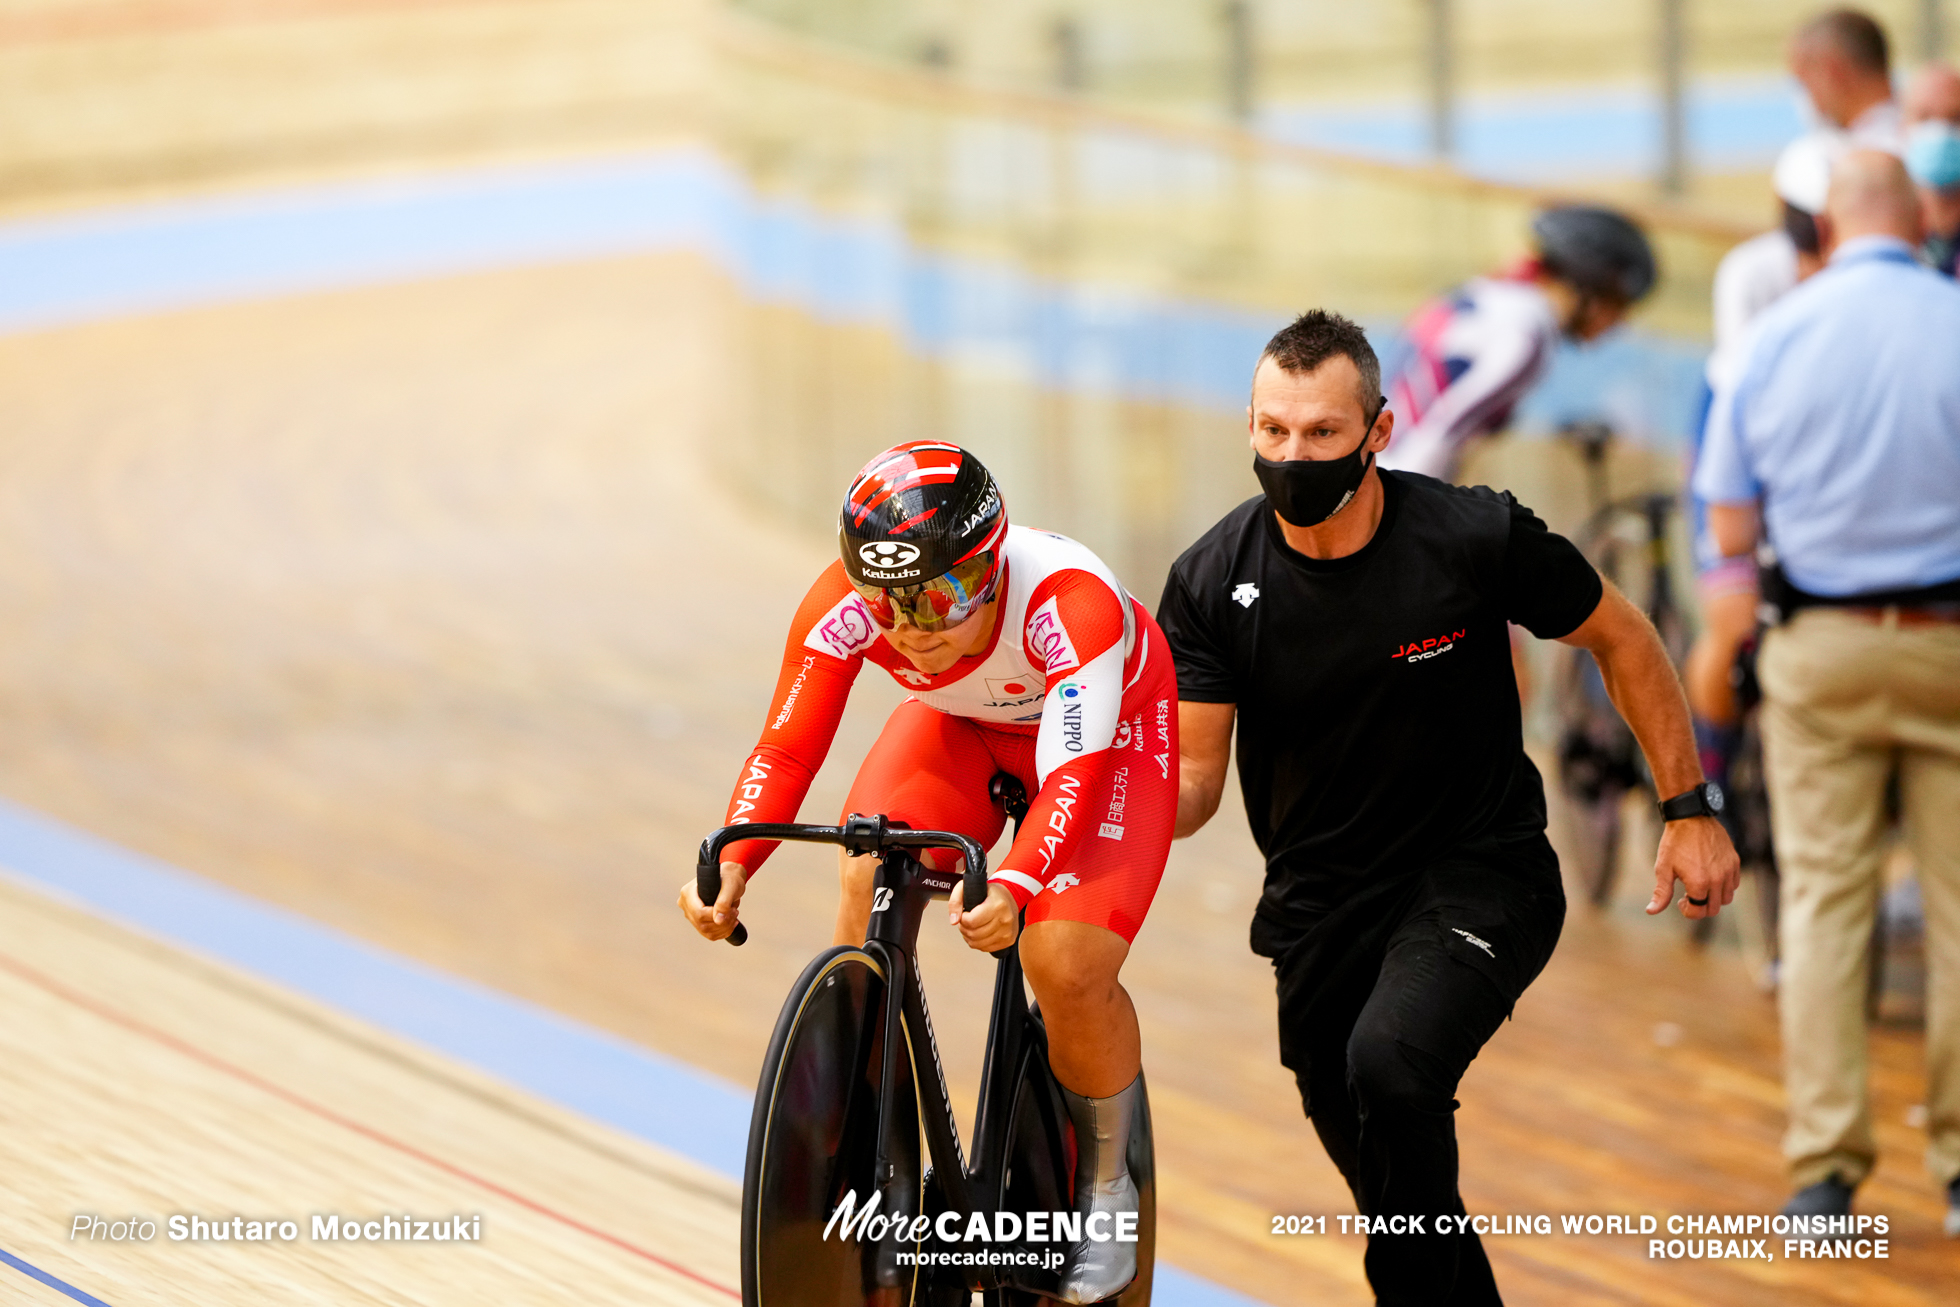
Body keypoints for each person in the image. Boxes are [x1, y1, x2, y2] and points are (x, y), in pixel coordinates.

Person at [1161, 311, 1739, 1303]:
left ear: (1378, 430)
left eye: (1320, 433)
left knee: (1390, 1067)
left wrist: (1686, 805)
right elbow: (1195, 786)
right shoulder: (1211, 583)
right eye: (1271, 432)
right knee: (1398, 1188)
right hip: (1318, 910)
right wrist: (1082, 796)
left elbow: (1625, 635)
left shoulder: (1472, 535)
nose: (1291, 455)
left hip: (1481, 873)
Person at [678, 441, 1177, 1301]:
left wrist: (1020, 881)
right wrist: (737, 857)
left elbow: (1072, 776)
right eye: (887, 602)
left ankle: (1107, 1192)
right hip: (966, 727)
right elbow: (787, 744)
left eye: (939, 596)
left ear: (988, 568)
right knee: (866, 867)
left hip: (1110, 738)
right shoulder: (843, 606)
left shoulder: (1071, 603)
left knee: (1063, 963)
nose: (911, 626)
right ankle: (861, 1138)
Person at [1692, 150, 1960, 1233]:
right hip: (1949, 642)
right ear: (1920, 219)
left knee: (1823, 901)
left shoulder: (1771, 339)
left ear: (1827, 226)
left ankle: (1825, 1171)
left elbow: (1729, 531)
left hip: (1818, 651)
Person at [1683, 134, 1831, 744]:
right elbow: (1742, 393)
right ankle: (1708, 776)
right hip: (1739, 421)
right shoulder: (1751, 271)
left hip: (1811, 430)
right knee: (1734, 614)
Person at [1376, 204, 1655, 483]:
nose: (1621, 323)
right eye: (1621, 305)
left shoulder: (1487, 296)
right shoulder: (1529, 333)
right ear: (1591, 288)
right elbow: (1438, 433)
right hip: (1388, 484)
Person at [1788, 9, 1901, 153]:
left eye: (1804, 81)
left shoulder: (1823, 159)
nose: (1805, 94)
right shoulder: (1923, 132)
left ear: (1834, 72)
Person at [1903, 62, 1960, 276]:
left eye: (1956, 118)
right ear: (1902, 125)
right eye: (1924, 117)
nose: (1941, 131)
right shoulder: (1887, 227)